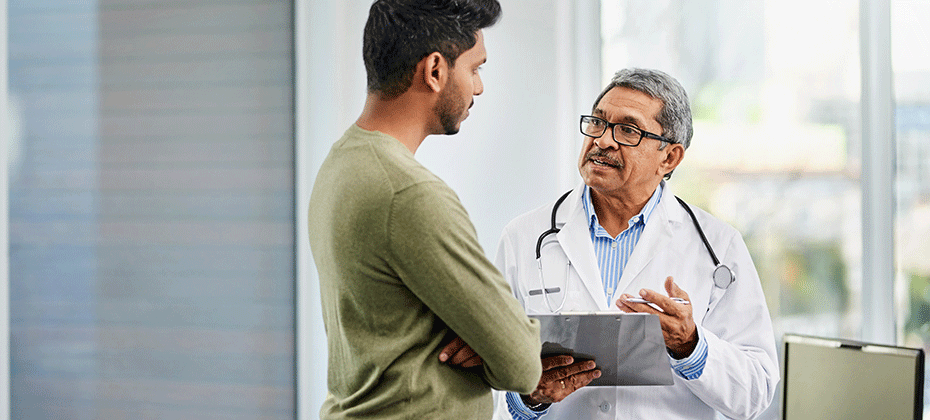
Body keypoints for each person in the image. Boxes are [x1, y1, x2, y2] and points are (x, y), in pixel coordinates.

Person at [491, 68, 779, 420]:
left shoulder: (719, 247)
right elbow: (486, 378)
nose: (603, 140)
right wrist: (528, 399)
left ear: (669, 158)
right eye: (597, 123)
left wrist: (691, 345)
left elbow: (756, 393)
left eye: (627, 130)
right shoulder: (524, 238)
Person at [306, 1, 543, 419]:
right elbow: (522, 364)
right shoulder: (410, 194)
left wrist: (484, 338)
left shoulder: (341, 163)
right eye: (475, 69)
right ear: (435, 70)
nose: (479, 87)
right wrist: (492, 340)